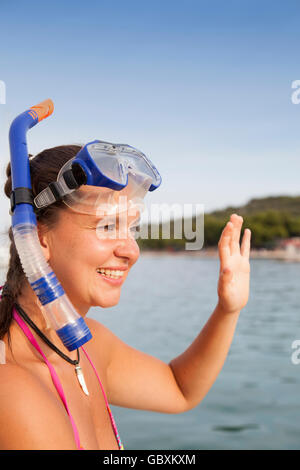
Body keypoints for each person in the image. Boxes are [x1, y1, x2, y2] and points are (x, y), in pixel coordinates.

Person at [0, 145, 251, 450]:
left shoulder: (90, 345)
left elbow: (178, 388)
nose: (131, 251)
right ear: (38, 239)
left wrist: (227, 309)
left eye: (131, 227)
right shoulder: (12, 388)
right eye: (107, 226)